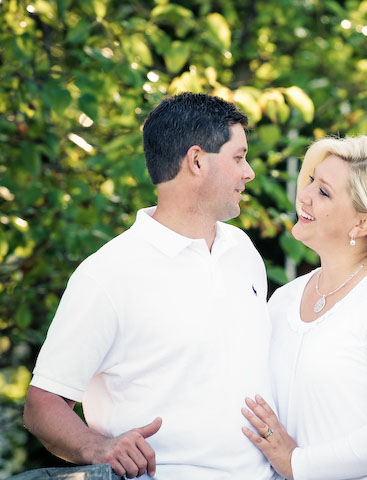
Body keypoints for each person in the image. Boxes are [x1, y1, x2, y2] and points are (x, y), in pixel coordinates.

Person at [23, 92, 277, 480]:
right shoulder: (108, 274)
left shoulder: (242, 251)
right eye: (238, 158)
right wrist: (100, 448)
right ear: (196, 161)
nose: (249, 172)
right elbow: (43, 403)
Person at [241, 135, 367, 479]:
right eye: (311, 181)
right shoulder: (284, 299)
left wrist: (298, 464)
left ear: (363, 223)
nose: (303, 195)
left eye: (323, 192)